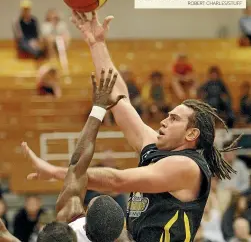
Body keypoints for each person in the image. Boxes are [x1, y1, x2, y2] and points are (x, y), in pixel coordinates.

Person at [23, 12, 241, 242]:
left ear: (191, 133)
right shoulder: (157, 148)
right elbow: (119, 100)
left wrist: (56, 173)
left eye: (175, 118)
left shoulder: (187, 166)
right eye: (168, 115)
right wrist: (96, 43)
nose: (165, 120)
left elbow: (117, 181)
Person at [22, 69, 132, 242]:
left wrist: (98, 109)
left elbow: (76, 163)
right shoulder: (123, 238)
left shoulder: (70, 220)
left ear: (86, 218)